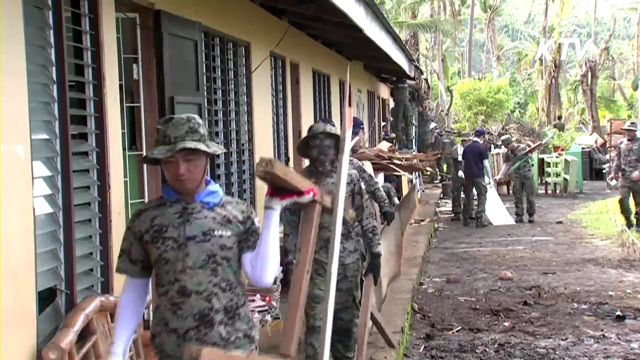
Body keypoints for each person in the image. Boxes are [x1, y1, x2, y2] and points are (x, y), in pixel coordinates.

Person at [107, 114, 317, 360]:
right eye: (170, 162)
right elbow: (136, 286)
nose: (180, 170)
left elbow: (261, 277)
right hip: (173, 349)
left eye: (189, 159)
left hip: (231, 346)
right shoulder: (147, 219)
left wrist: (272, 211)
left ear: (206, 157)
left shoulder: (236, 212)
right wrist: (117, 350)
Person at [282, 119, 381, 360]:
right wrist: (289, 259)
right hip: (314, 266)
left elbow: (365, 213)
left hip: (348, 263)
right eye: (318, 144)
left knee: (345, 327)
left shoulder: (350, 176)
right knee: (316, 327)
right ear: (310, 149)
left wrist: (375, 251)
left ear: (336, 147)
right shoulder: (300, 182)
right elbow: (292, 223)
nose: (323, 150)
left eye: (328, 144)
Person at [495, 135, 536, 223]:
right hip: (517, 177)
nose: (507, 148)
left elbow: (531, 157)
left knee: (530, 196)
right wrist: (500, 175)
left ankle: (531, 215)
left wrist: (528, 155)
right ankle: (519, 215)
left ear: (511, 143)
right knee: (517, 196)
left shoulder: (523, 148)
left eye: (507, 145)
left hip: (528, 175)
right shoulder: (508, 153)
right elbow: (506, 165)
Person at [609, 120, 640, 229]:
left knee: (639, 203)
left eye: (631, 131)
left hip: (637, 179)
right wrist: (614, 173)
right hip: (624, 177)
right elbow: (618, 160)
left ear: (635, 131)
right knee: (623, 201)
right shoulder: (621, 144)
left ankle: (638, 223)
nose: (628, 133)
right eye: (627, 130)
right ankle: (628, 221)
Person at [462, 127, 492, 228]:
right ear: (482, 137)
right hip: (479, 176)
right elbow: (486, 164)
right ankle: (480, 219)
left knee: (468, 196)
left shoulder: (466, 147)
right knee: (482, 196)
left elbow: (463, 162)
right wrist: (490, 177)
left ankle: (465, 218)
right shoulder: (482, 148)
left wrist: (463, 172)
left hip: (468, 176)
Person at [451, 135, 471, 221]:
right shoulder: (456, 149)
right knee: (456, 193)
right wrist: (460, 170)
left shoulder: (471, 149)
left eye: (468, 141)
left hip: (468, 173)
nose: (467, 142)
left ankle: (470, 212)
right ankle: (457, 212)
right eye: (465, 141)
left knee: (469, 193)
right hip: (457, 173)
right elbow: (456, 162)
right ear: (462, 141)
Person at [440, 128, 456, 198]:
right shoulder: (452, 139)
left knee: (444, 166)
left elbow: (441, 147)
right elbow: (454, 147)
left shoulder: (442, 138)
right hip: (449, 155)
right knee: (450, 166)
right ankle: (447, 177)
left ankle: (444, 177)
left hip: (444, 154)